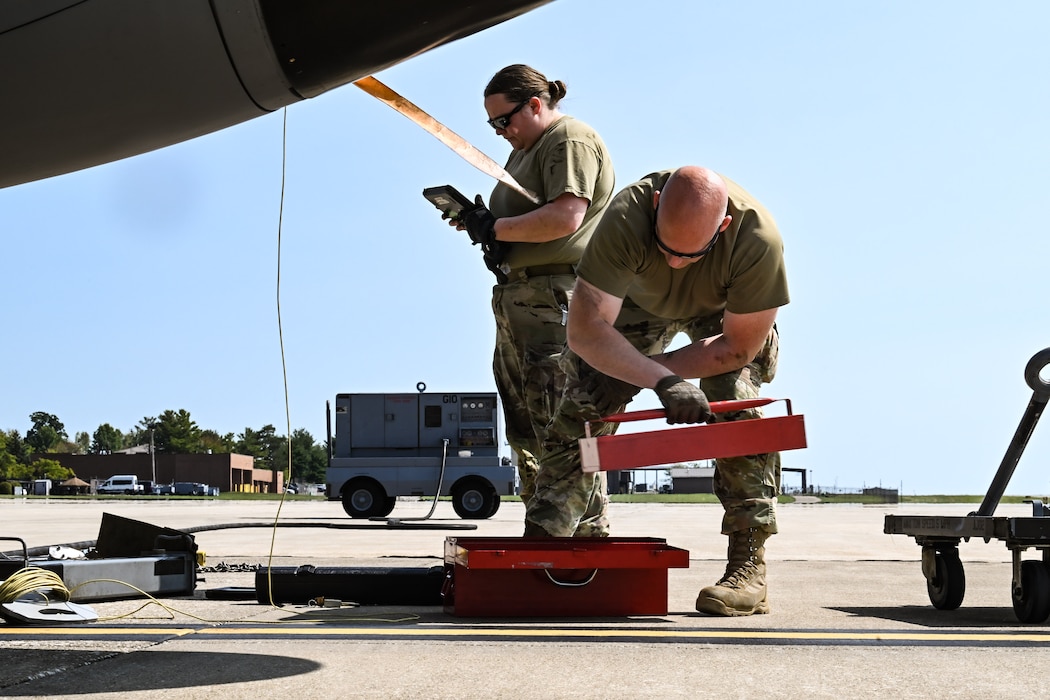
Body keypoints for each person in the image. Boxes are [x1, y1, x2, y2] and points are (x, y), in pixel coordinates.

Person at [531, 166, 789, 617]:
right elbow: (587, 330)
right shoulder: (626, 219)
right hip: (638, 305)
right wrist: (657, 379)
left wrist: (652, 374)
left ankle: (748, 568)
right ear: (654, 209)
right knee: (585, 405)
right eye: (666, 248)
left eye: (690, 255)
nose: (675, 262)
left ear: (722, 227)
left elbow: (737, 347)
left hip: (722, 317)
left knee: (735, 399)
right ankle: (545, 543)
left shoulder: (757, 240)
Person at [442, 64, 615, 519]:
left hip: (554, 299)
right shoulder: (528, 147)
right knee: (526, 428)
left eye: (505, 120)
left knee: (561, 426)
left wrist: (494, 227)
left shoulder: (568, 140)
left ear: (535, 105)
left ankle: (585, 537)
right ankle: (545, 530)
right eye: (492, 124)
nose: (500, 131)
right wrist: (485, 227)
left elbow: (565, 218)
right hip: (521, 300)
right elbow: (525, 222)